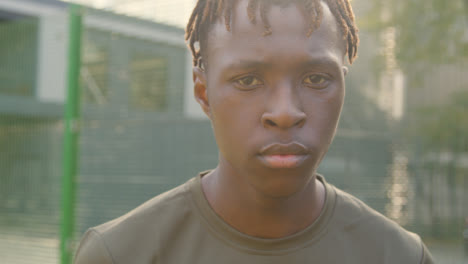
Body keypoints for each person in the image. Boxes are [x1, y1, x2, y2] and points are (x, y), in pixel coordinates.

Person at [74, 0, 434, 263]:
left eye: (316, 79)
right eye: (247, 80)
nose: (285, 113)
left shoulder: (398, 255)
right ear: (203, 93)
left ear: (343, 87)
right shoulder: (120, 254)